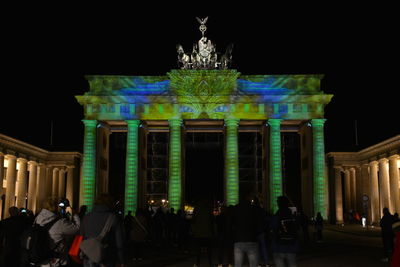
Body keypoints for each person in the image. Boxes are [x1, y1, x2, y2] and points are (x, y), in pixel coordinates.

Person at [28, 197, 80, 266]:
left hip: (40, 259)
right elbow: (77, 228)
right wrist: (74, 214)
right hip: (56, 261)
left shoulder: (37, 219)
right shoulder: (60, 223)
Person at [80, 193, 125, 267]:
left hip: (88, 258)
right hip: (106, 258)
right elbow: (119, 244)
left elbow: (81, 236)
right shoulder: (113, 219)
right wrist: (121, 260)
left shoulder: (86, 217)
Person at [229, 193, 263, 267]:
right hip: (252, 239)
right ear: (248, 199)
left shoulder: (235, 209)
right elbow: (259, 223)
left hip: (238, 240)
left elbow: (231, 224)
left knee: (238, 264)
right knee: (253, 264)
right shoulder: (254, 209)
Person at [271, 196, 299, 267]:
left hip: (279, 246)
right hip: (291, 245)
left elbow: (273, 227)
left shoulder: (277, 215)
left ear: (278, 204)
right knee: (292, 263)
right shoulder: (293, 216)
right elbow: (297, 228)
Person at [191, 198, 215, 267]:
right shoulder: (208, 210)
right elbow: (212, 222)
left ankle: (198, 263)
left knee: (198, 250)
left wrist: (194, 231)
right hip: (208, 233)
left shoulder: (196, 210)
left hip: (198, 233)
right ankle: (210, 263)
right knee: (209, 250)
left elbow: (193, 221)